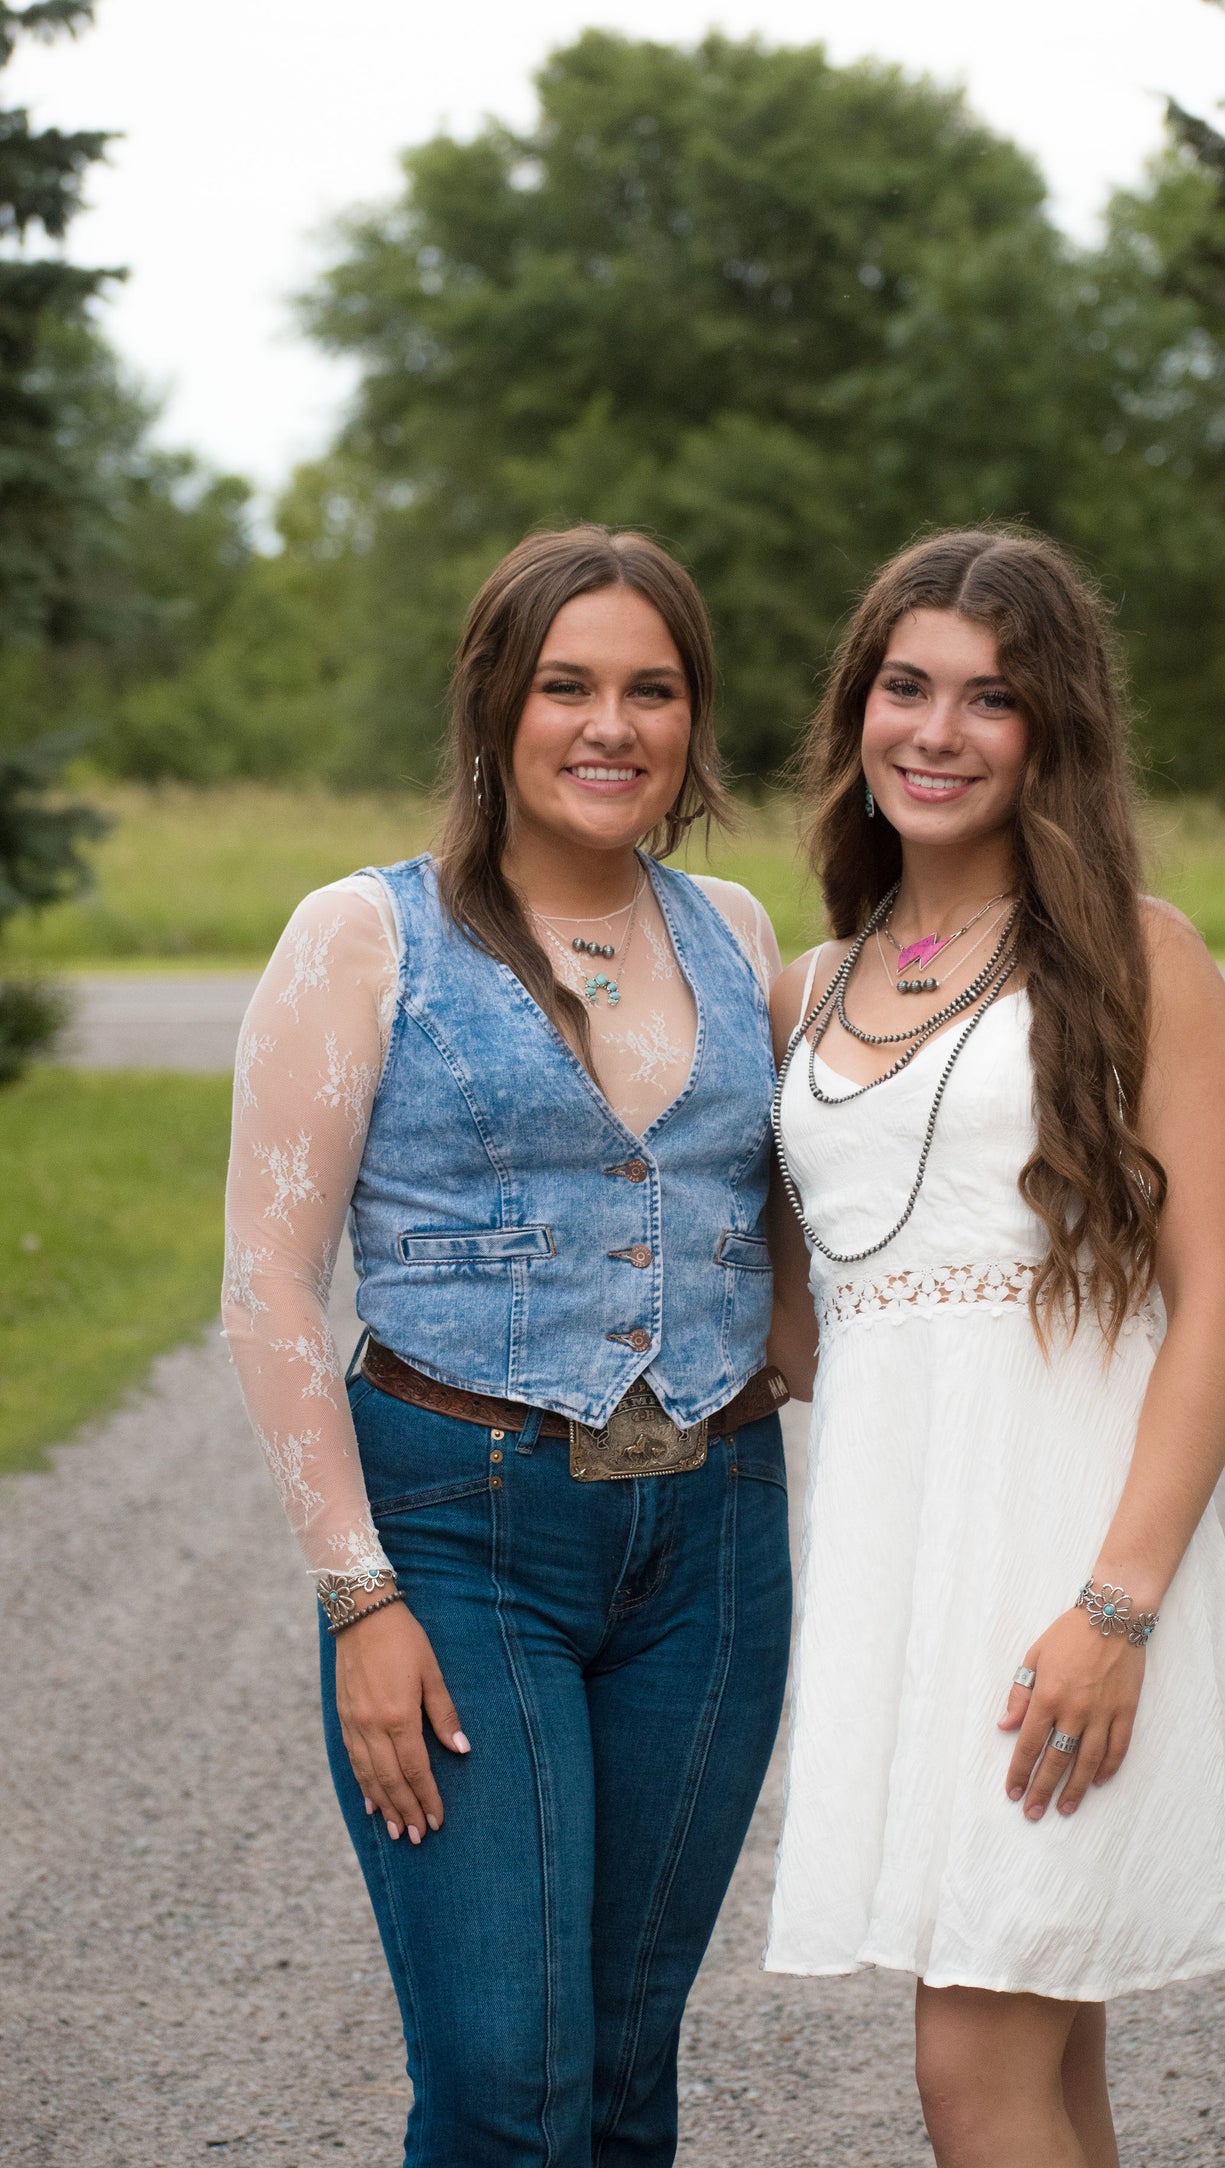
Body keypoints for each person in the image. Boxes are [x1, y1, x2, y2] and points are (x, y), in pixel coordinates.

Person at [222, 526, 793, 2167]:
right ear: (494, 702)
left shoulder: (737, 933)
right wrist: (359, 1597)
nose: (609, 726)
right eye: (567, 686)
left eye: (651, 690)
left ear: (690, 723)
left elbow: (799, 1244)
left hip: (714, 1543)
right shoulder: (365, 934)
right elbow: (268, 1285)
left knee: (622, 2081)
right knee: (505, 2090)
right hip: (459, 1536)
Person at [762, 527, 1225, 2168]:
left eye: (990, 699)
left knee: (974, 2071)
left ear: (1050, 733)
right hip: (897, 1582)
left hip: (1066, 1580)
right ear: (858, 711)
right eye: (905, 686)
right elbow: (813, 1306)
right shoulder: (808, 985)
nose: (935, 732)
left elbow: (1215, 1307)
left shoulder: (1138, 959)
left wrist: (1114, 1610)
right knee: (1041, 2059)